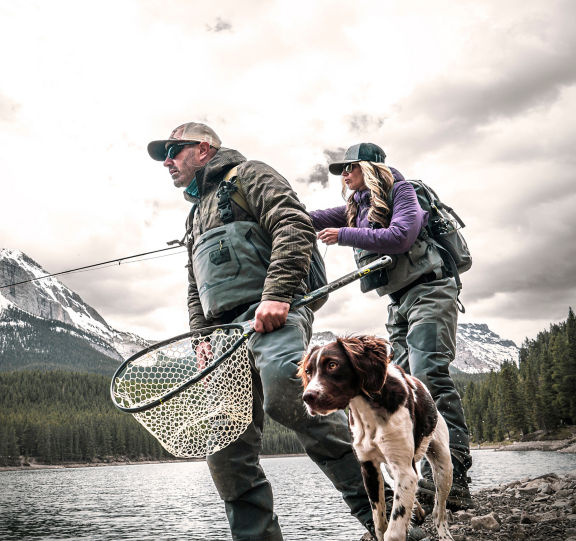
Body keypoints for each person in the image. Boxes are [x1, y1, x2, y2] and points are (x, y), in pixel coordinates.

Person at [147, 123, 412, 541]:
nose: (166, 160)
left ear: (203, 149)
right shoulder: (195, 214)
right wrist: (201, 336)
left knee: (288, 394)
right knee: (225, 445)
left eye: (173, 150)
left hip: (275, 314)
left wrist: (276, 295)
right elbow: (195, 285)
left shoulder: (250, 174)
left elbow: (293, 225)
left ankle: (384, 519)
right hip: (223, 337)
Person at [309, 142, 474, 511]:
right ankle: (412, 479)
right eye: (341, 170)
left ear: (369, 167)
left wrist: (344, 234)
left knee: (429, 374)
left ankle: (454, 477)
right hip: (398, 301)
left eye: (349, 167)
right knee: (404, 383)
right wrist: (274, 217)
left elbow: (402, 236)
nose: (343, 175)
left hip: (431, 289)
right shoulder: (359, 206)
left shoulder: (404, 192)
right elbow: (313, 217)